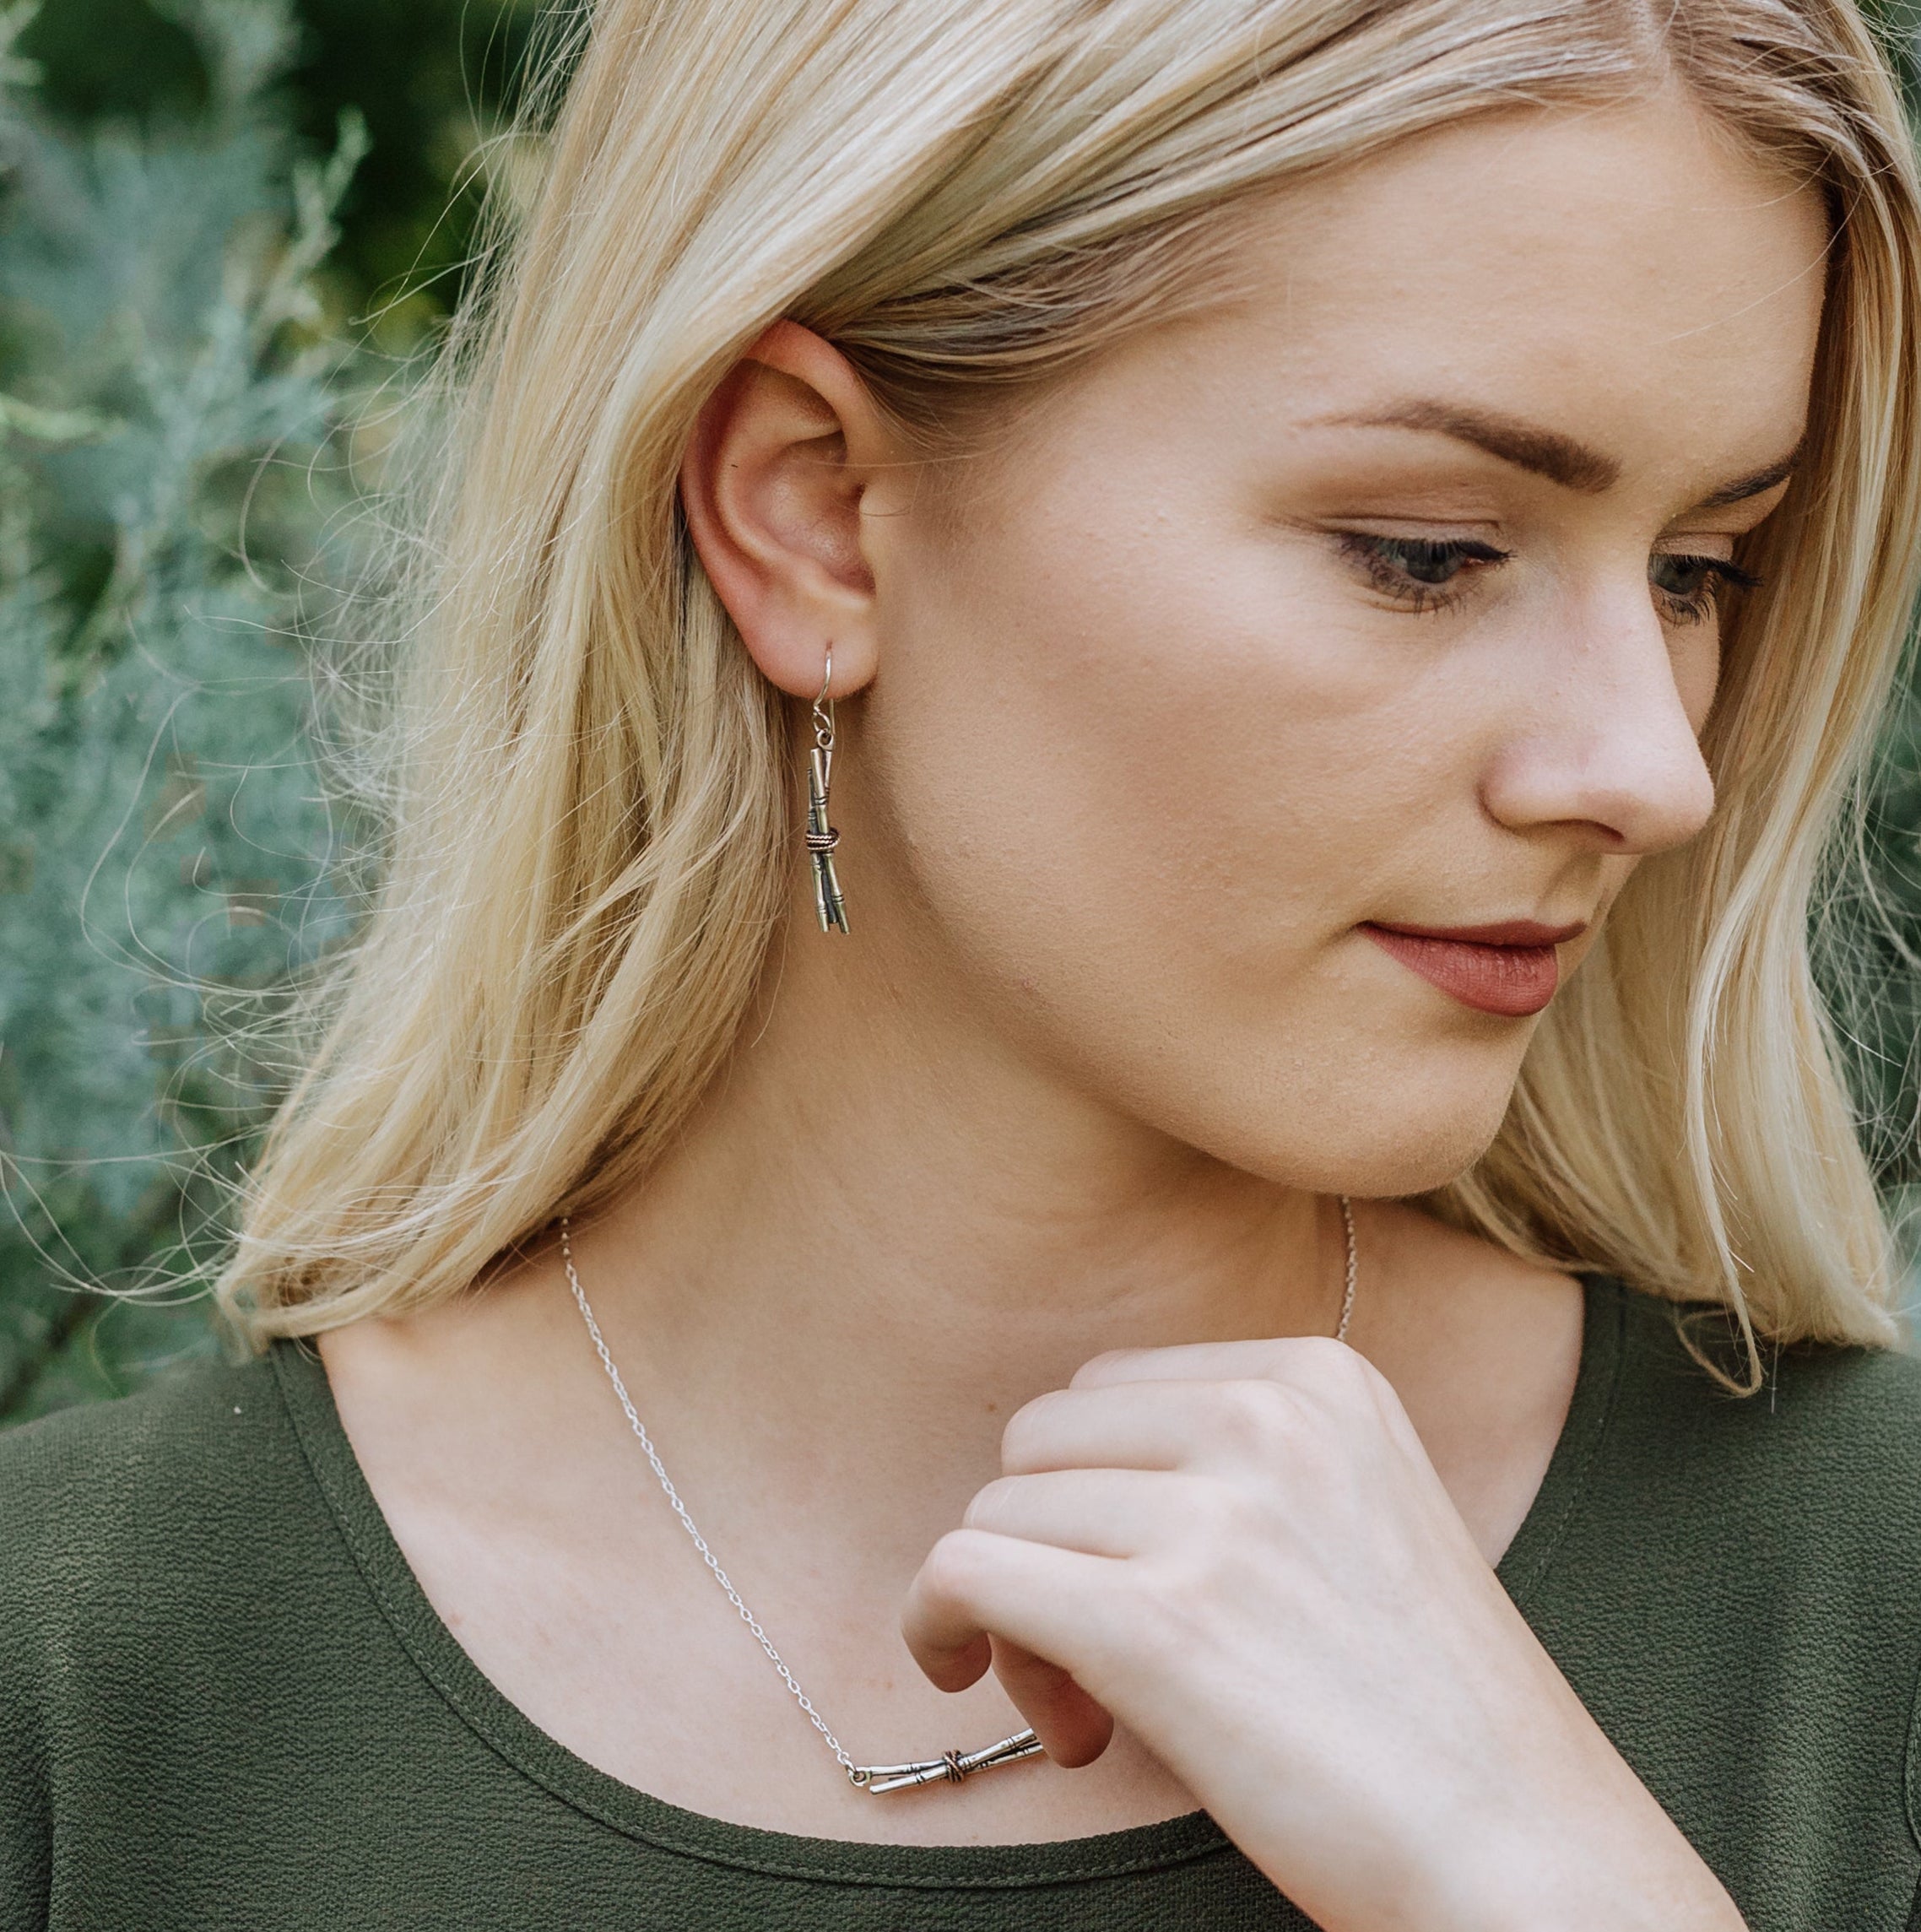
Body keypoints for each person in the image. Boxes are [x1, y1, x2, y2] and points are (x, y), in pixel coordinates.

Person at [7, 0, 1921, 1924]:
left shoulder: (1861, 1601)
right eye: (1423, 549)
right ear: (814, 514)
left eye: (1699, 568)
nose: (1649, 768)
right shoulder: (81, 1687)